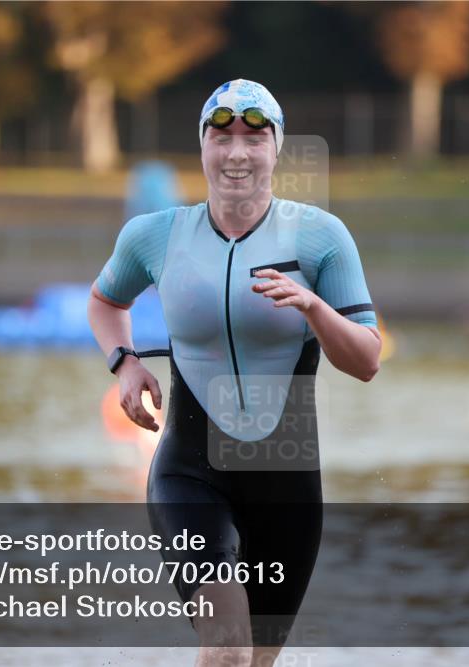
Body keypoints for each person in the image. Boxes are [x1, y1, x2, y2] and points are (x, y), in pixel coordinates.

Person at [87, 79, 381, 667]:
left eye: (254, 137)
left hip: (288, 483)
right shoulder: (155, 235)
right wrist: (125, 365)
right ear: (202, 147)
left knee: (255, 662)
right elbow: (105, 302)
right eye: (221, 137)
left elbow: (367, 360)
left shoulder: (320, 238)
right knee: (226, 646)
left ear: (277, 149)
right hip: (190, 474)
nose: (237, 153)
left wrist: (313, 308)